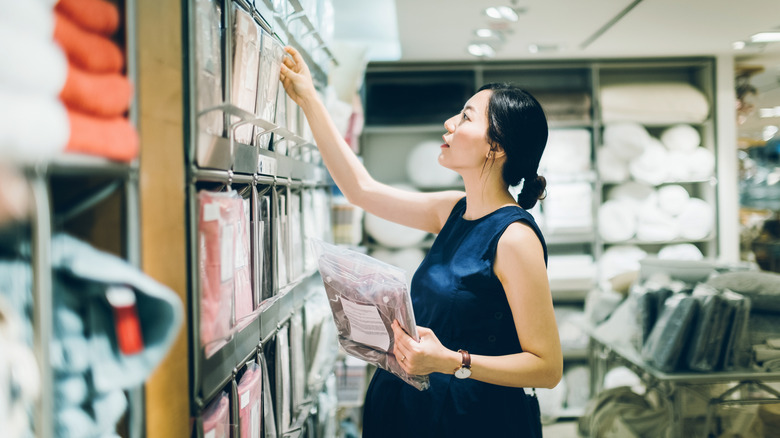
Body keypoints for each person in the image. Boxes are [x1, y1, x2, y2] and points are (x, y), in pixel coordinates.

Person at [280, 46, 562, 437]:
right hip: (413, 406)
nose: (449, 123)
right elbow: (361, 190)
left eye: (465, 117)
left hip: (474, 419)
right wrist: (308, 98)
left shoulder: (514, 237)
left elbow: (547, 368)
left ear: (495, 147)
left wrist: (452, 361)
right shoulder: (453, 211)